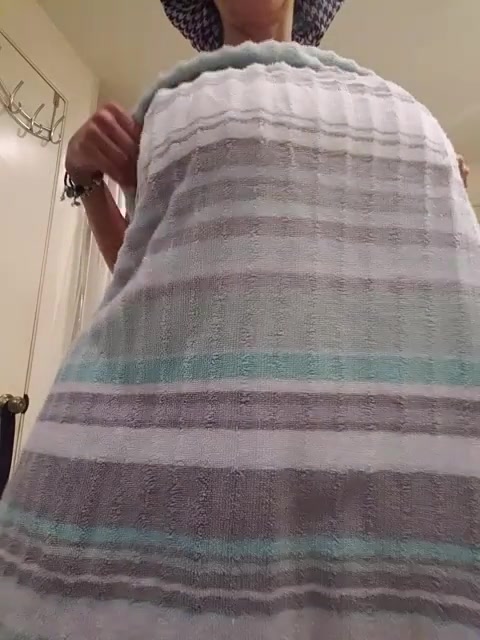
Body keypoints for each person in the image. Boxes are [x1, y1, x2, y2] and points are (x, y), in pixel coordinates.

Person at [1, 1, 479, 639]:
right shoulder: (174, 112)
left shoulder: (387, 117)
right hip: (192, 444)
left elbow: (405, 291)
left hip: (350, 453)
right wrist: (85, 177)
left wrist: (434, 192)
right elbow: (147, 280)